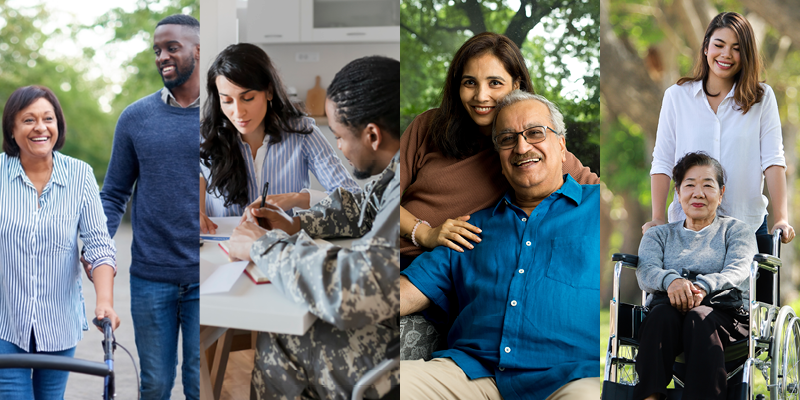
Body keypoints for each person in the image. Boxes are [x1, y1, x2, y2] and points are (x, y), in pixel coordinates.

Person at [400, 90, 600, 400]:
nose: (521, 147)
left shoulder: (598, 209)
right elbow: (403, 294)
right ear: (500, 159)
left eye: (535, 133)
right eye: (507, 139)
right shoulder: (471, 227)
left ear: (561, 145)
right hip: (472, 375)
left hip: (571, 377)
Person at [227, 55, 400, 399]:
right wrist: (294, 225)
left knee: (282, 336)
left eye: (338, 136)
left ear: (372, 136)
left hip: (399, 356)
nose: (338, 146)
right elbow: (363, 211)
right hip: (397, 323)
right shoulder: (403, 166)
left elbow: (355, 289)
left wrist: (263, 246)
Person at [400, 32, 598, 265]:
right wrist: (425, 233)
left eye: (495, 83)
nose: (481, 96)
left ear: (516, 85)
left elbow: (597, 197)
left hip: (456, 277)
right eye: (470, 82)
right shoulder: (428, 126)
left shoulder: (534, 149)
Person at [95, 14, 200, 399]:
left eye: (172, 48)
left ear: (198, 51)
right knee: (154, 383)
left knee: (199, 382)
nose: (162, 57)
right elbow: (114, 193)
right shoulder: (135, 118)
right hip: (150, 276)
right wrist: (98, 247)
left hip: (211, 274)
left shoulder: (225, 116)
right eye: (157, 50)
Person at [0, 85, 120, 398]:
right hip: (5, 322)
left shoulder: (80, 175)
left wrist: (104, 301)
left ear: (58, 126)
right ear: (12, 130)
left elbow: (99, 245)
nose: (40, 127)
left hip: (58, 325)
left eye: (48, 119)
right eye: (28, 120)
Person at [643, 11, 795, 244]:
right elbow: (663, 160)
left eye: (736, 48)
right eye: (719, 45)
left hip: (748, 225)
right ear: (706, 48)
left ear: (746, 55)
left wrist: (782, 218)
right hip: (687, 227)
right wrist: (657, 217)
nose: (726, 54)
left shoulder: (762, 98)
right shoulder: (677, 97)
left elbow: (773, 160)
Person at [200, 43, 359, 234]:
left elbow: (355, 198)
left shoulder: (302, 132)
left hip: (284, 247)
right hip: (223, 253)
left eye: (248, 98)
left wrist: (297, 198)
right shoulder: (204, 139)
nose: (238, 112)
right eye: (226, 100)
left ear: (269, 91)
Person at [634, 152, 756, 400]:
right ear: (678, 193)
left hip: (723, 315)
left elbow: (739, 269)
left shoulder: (737, 231)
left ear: (721, 193)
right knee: (659, 317)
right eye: (689, 185)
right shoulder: (658, 235)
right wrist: (672, 281)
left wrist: (702, 286)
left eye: (708, 185)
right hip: (668, 310)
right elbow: (646, 270)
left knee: (699, 317)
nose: (698, 193)